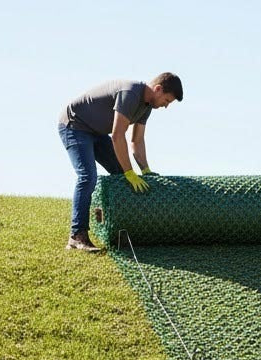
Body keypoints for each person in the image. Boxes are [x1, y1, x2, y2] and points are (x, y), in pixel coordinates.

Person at [57, 74, 183, 252]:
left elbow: (137, 141)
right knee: (88, 177)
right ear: (158, 89)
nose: (166, 105)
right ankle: (77, 237)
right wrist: (129, 172)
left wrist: (145, 170)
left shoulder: (147, 106)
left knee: (119, 172)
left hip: (97, 132)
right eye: (167, 100)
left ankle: (121, 230)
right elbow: (117, 135)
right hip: (75, 126)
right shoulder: (130, 93)